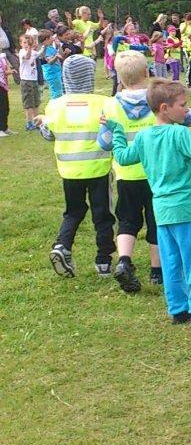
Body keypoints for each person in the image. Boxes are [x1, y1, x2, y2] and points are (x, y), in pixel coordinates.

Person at [105, 78, 191, 327]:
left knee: (171, 261)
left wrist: (117, 132)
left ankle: (178, 309)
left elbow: (124, 157)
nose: (187, 110)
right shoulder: (179, 133)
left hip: (162, 211)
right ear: (164, 108)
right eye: (183, 105)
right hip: (188, 209)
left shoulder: (143, 137)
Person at [35, 55, 116, 278]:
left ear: (65, 76)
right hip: (98, 167)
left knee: (74, 210)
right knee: (103, 214)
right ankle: (103, 261)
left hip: (69, 169)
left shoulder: (55, 105)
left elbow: (49, 136)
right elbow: (110, 134)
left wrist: (43, 124)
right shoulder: (104, 103)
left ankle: (62, 245)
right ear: (90, 76)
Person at [96, 51, 163, 292]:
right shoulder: (156, 100)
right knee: (157, 221)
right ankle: (157, 271)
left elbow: (104, 143)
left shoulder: (110, 105)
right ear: (147, 73)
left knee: (127, 220)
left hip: (126, 174)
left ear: (119, 77)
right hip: (157, 173)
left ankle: (124, 261)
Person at [18, 34, 41, 131]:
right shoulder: (22, 52)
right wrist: (30, 48)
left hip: (33, 79)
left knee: (35, 102)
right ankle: (29, 123)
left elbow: (39, 54)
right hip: (26, 80)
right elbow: (27, 57)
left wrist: (44, 46)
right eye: (24, 42)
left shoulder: (33, 52)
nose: (27, 44)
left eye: (29, 42)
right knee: (28, 103)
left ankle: (37, 123)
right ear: (21, 44)